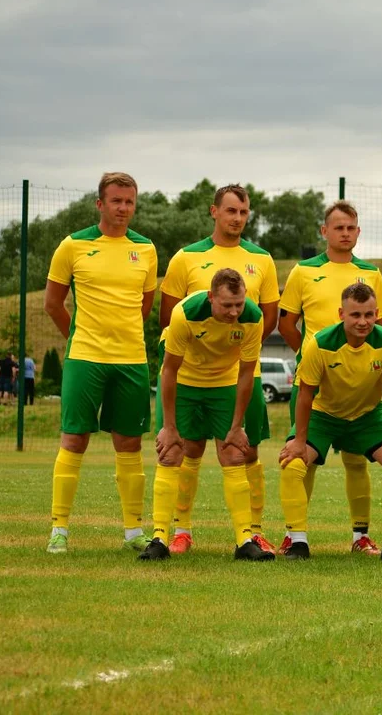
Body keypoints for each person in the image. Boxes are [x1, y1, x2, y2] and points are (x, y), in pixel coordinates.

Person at [159, 184, 279, 555]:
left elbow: (267, 318)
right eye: (231, 211)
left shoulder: (263, 259)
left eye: (244, 213)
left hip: (241, 370)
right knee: (189, 448)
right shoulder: (185, 258)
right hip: (192, 374)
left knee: (246, 450)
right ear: (214, 212)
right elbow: (170, 318)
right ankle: (179, 531)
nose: (237, 219)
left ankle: (252, 532)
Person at [43, 172, 157, 554]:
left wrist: (121, 337)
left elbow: (143, 308)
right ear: (100, 204)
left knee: (129, 443)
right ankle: (59, 529)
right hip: (85, 358)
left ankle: (132, 533)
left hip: (131, 360)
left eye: (129, 202)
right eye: (116, 201)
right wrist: (78, 339)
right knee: (74, 439)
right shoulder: (72, 246)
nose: (123, 208)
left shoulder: (146, 250)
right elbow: (52, 304)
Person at [278, 200, 382, 557]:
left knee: (357, 459)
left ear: (358, 232)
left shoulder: (371, 273)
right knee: (302, 456)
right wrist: (312, 358)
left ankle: (361, 537)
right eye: (338, 227)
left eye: (351, 227)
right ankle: (295, 536)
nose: (345, 233)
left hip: (359, 383)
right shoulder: (303, 272)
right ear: (324, 232)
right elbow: (286, 323)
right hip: (314, 384)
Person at [139, 269, 274, 562]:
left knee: (234, 453)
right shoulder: (184, 313)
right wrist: (170, 427)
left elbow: (247, 373)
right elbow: (170, 371)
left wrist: (237, 426)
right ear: (211, 297)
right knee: (171, 452)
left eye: (239, 304)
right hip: (184, 380)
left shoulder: (252, 317)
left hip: (223, 382)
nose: (234, 311)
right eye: (226, 305)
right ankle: (160, 538)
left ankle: (244, 541)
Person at [277, 283, 382, 562]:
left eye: (368, 314)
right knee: (292, 464)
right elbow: (305, 394)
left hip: (368, 418)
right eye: (355, 315)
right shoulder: (320, 343)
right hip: (323, 416)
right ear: (341, 314)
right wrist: (300, 441)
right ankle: (297, 542)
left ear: (377, 313)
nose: (362, 321)